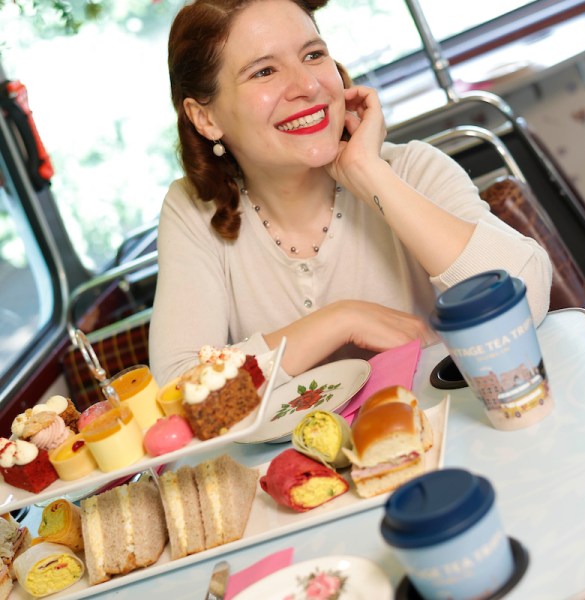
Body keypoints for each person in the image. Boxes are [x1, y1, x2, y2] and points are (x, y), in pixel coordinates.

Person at [149, 0, 552, 386]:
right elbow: (183, 388)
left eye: (312, 55)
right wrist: (341, 320)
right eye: (264, 72)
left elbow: (528, 300)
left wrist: (369, 173)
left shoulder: (410, 169)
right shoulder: (192, 212)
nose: (307, 85)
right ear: (206, 117)